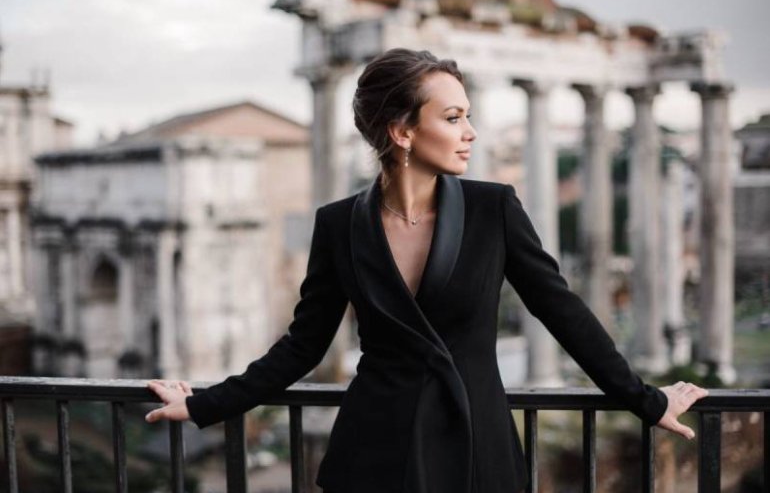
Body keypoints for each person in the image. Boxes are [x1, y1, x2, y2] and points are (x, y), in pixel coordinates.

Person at [145, 48, 708, 493]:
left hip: (475, 448)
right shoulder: (338, 224)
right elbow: (303, 344)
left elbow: (562, 312)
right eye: (453, 117)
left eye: (468, 116)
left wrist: (647, 400)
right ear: (402, 131)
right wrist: (203, 403)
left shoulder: (493, 209)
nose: (471, 132)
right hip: (374, 452)